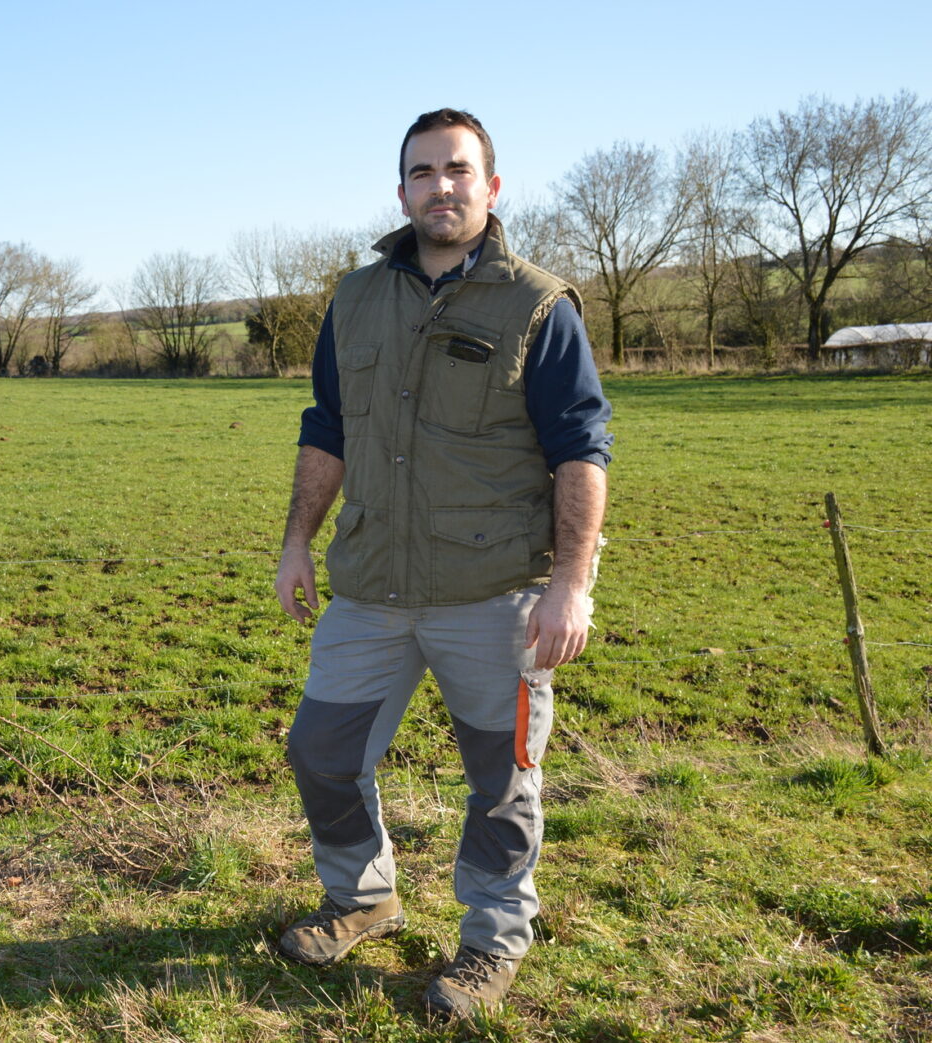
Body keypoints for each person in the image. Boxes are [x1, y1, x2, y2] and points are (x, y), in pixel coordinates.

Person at [272, 108, 613, 1020]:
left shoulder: (537, 303)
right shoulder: (353, 298)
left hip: (492, 594)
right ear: (402, 190)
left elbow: (581, 447)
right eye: (423, 172)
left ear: (491, 188)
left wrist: (569, 584)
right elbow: (328, 428)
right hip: (372, 586)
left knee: (502, 785)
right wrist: (299, 539)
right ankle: (362, 895)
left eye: (458, 170)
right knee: (321, 751)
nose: (441, 186)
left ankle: (492, 942)